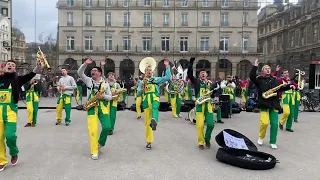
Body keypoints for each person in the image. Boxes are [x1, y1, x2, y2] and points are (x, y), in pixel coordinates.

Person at [0, 60, 42, 172]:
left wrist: (37, 67)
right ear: (4, 67)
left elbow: (31, 75)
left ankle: (14, 152)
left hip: (11, 112)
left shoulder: (18, 80)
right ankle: (1, 161)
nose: (10, 66)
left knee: (10, 136)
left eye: (13, 65)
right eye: (9, 64)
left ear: (15, 69)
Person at [249, 59, 294, 149]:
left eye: (269, 68)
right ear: (262, 71)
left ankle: (273, 141)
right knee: (264, 123)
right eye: (266, 68)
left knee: (274, 124)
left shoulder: (274, 80)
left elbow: (280, 88)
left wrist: (289, 86)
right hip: (264, 104)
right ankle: (261, 137)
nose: (268, 69)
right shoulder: (259, 79)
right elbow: (251, 76)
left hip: (274, 104)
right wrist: (255, 66)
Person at [77, 58, 113, 160]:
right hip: (92, 107)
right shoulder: (88, 80)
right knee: (93, 130)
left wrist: (104, 97)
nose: (92, 71)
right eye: (92, 70)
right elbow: (79, 73)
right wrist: (85, 64)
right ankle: (94, 151)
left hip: (103, 107)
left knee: (107, 127)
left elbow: (110, 97)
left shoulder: (105, 84)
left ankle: (100, 143)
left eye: (95, 70)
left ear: (100, 74)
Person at [137, 59, 171, 150]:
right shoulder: (141, 82)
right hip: (146, 101)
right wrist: (142, 88)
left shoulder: (155, 79)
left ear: (152, 72)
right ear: (144, 72)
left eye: (150, 70)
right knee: (147, 124)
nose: (149, 71)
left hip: (154, 98)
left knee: (155, 108)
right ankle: (149, 141)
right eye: (147, 70)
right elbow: (138, 94)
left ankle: (154, 121)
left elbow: (167, 77)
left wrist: (167, 66)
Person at [187, 57, 217, 150]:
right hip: (199, 105)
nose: (203, 74)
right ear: (199, 75)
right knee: (199, 126)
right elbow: (189, 74)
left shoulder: (210, 84)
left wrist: (214, 93)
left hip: (208, 105)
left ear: (206, 75)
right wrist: (190, 64)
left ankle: (207, 139)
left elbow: (213, 94)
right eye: (201, 73)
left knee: (211, 124)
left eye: (204, 73)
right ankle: (201, 142)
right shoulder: (196, 82)